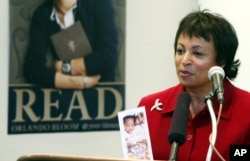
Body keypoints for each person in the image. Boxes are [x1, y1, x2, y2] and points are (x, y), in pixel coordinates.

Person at [137, 9, 250, 161]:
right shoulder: (146, 108)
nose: (184, 60)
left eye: (197, 53)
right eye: (180, 50)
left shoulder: (246, 110)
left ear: (221, 61)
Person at [23, 0, 118, 89]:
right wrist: (77, 82)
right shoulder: (42, 14)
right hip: (63, 97)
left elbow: (109, 57)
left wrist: (64, 67)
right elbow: (32, 69)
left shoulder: (99, 3)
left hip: (103, 93)